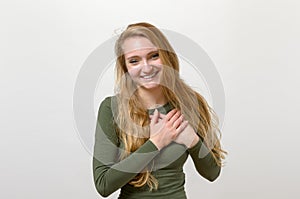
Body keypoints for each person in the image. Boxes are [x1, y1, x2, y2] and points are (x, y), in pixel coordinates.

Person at [92, 22, 227, 199]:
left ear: (166, 57)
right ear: (126, 68)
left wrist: (193, 141)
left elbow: (212, 173)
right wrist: (156, 142)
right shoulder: (111, 108)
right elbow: (103, 185)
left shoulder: (189, 103)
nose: (146, 67)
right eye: (134, 61)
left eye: (154, 56)